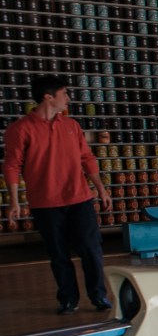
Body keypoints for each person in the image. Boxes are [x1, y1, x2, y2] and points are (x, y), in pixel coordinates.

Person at [4, 74, 113, 313]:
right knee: (59, 255)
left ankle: (98, 296)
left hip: (80, 199)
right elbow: (12, 166)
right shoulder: (20, 129)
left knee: (91, 251)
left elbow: (87, 158)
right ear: (48, 97)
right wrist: (14, 202)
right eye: (64, 94)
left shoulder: (72, 126)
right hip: (45, 204)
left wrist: (102, 189)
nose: (68, 99)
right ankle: (68, 299)